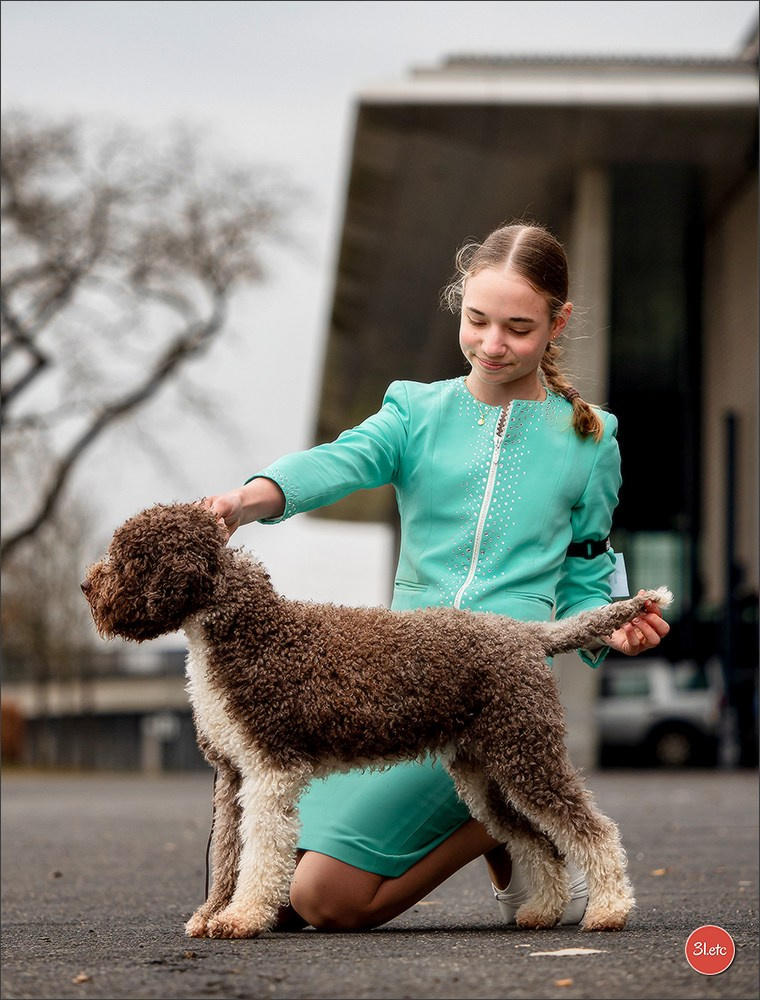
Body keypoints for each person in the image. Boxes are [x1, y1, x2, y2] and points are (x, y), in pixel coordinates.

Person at [203, 220, 670, 932]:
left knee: (323, 900)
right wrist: (246, 499)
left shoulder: (590, 437)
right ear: (460, 306)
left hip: (494, 680)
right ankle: (504, 815)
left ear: (557, 323)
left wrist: (616, 629)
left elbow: (587, 563)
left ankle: (502, 814)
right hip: (395, 677)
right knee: (283, 878)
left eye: (517, 328)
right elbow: (339, 461)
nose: (491, 344)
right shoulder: (415, 409)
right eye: (477, 321)